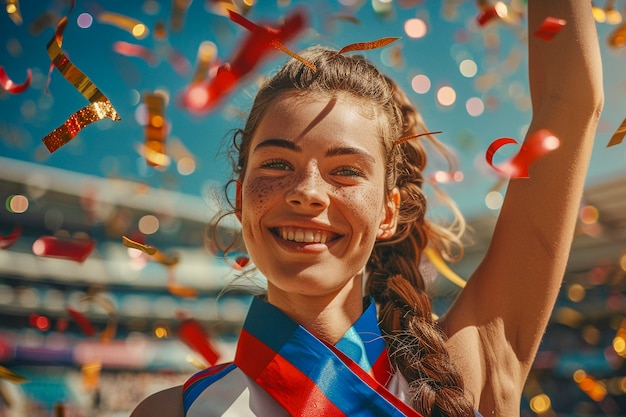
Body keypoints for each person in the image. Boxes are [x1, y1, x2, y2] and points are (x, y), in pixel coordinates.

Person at [131, 0, 603, 416]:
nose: (307, 192)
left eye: (346, 171)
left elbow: (570, 102)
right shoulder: (173, 411)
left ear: (388, 211)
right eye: (277, 163)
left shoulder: (464, 368)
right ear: (239, 198)